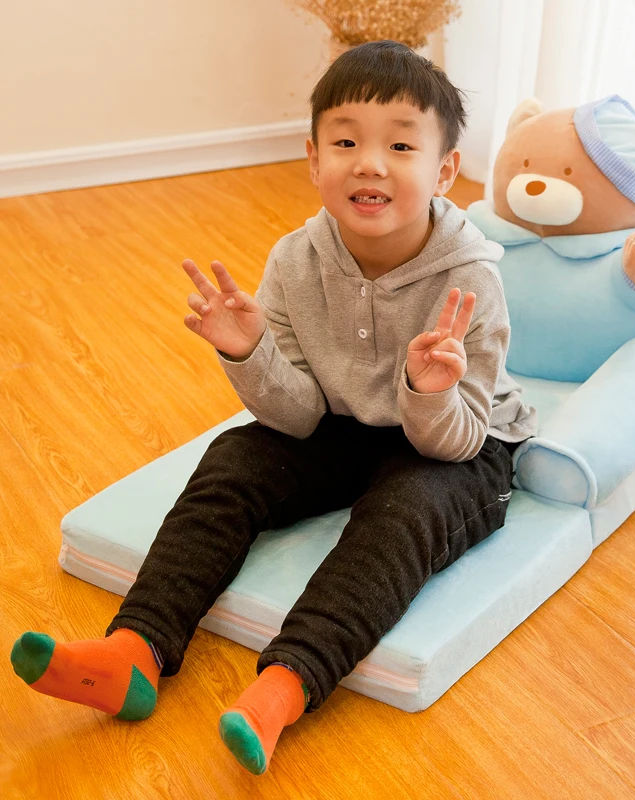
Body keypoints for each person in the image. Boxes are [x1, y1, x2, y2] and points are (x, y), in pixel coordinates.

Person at [10, 40, 538, 775]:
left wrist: (428, 390)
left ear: (445, 170)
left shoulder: (471, 278)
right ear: (314, 160)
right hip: (341, 421)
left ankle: (285, 685)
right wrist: (250, 352)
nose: (370, 163)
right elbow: (295, 419)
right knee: (237, 455)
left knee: (405, 509)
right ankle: (135, 649)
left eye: (400, 146)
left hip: (455, 441)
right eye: (346, 142)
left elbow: (455, 441)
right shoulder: (295, 259)